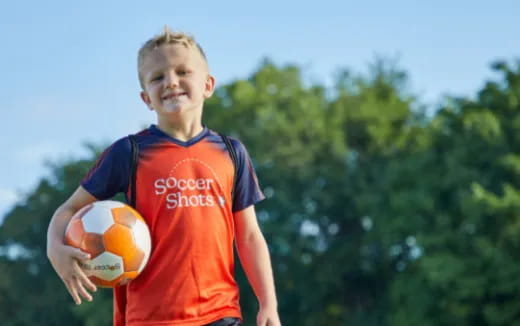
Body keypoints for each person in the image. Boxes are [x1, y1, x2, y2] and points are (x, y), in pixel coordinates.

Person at [46, 26, 281, 326]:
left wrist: (268, 304)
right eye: (158, 77)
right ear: (146, 98)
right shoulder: (128, 152)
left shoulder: (231, 152)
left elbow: (249, 236)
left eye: (183, 71)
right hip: (151, 318)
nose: (171, 82)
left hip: (220, 314)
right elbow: (68, 209)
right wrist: (55, 248)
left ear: (208, 85)